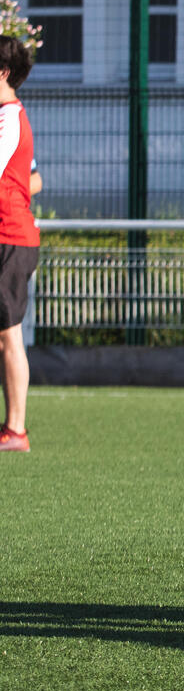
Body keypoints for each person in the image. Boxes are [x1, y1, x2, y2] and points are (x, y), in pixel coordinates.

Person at [0, 35, 42, 453]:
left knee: (9, 335)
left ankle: (16, 431)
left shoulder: (8, 117)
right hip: (9, 236)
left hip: (10, 237)